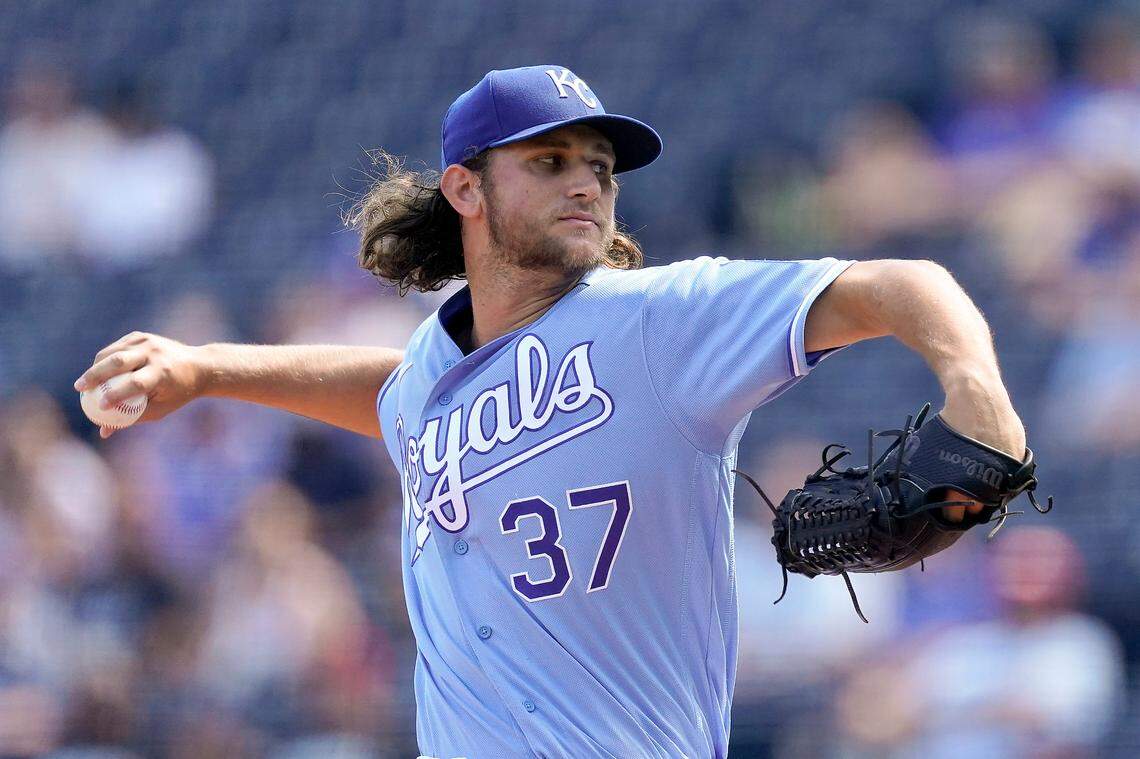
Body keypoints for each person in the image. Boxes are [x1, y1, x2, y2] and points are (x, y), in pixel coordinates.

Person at [74, 65, 1028, 758]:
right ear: (465, 188)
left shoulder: (656, 319)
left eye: (602, 167)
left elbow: (903, 283)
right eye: (552, 158)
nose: (588, 182)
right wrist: (205, 369)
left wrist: (977, 393)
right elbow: (391, 390)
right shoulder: (433, 377)